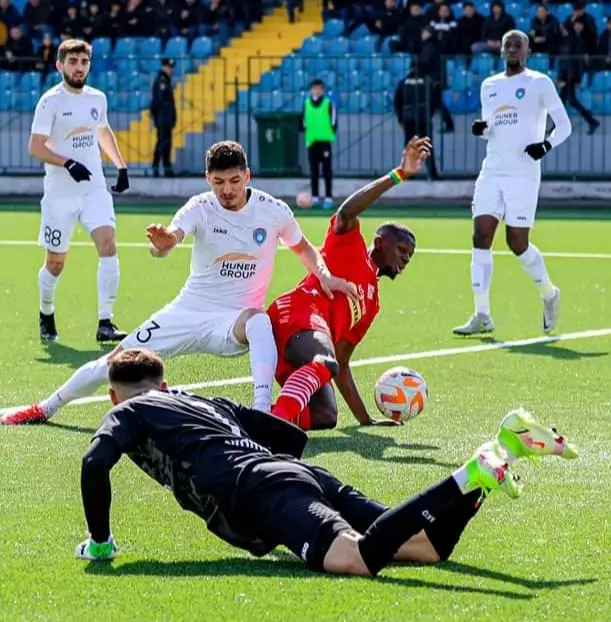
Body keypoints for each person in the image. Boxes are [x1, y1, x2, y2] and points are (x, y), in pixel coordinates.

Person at [75, 348, 579, 575]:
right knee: (423, 547)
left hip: (264, 490)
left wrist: (101, 543)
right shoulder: (207, 403)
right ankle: (493, 457)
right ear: (165, 384)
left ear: (115, 399)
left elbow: (96, 462)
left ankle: (470, 475)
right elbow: (291, 437)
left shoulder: (133, 410)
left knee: (359, 559)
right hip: (295, 476)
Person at [1, 141, 357, 426]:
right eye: (219, 183)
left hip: (232, 321)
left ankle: (262, 414)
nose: (227, 190)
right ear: (208, 179)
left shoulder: (273, 210)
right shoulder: (200, 207)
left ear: (247, 175)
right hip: (187, 311)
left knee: (260, 319)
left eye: (234, 181)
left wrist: (325, 276)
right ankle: (44, 408)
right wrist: (164, 243)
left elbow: (303, 247)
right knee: (115, 361)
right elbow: (172, 236)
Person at [267, 138, 428, 431]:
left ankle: (258, 414)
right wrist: (398, 174)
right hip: (295, 316)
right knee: (324, 359)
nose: (406, 259)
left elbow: (341, 362)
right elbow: (346, 213)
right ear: (379, 243)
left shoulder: (372, 303)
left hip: (314, 348)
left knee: (325, 416)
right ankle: (273, 425)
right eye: (402, 250)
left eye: (410, 255)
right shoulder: (349, 247)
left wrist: (365, 420)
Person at [453, 30, 571, 337]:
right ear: (501, 51)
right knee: (481, 235)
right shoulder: (489, 86)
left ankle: (549, 293)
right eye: (508, 45)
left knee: (516, 242)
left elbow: (565, 125)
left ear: (528, 50)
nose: (513, 49)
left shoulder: (539, 83)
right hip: (492, 170)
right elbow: (492, 128)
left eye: (519, 45)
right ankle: (482, 314)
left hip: (523, 173)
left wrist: (545, 145)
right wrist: (482, 130)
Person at [28, 38, 130, 345]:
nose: (79, 67)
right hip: (60, 195)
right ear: (60, 65)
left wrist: (121, 166)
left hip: (94, 189)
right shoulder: (50, 101)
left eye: (84, 62)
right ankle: (46, 312)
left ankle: (106, 322)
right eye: (73, 62)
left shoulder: (97, 98)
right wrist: (67, 162)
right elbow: (35, 147)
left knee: (108, 245)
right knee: (55, 264)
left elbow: (102, 130)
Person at [393, 66, 440, 180]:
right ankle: (432, 174)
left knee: (410, 147)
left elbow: (397, 101)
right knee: (426, 146)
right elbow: (435, 100)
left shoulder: (403, 82)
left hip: (408, 119)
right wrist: (429, 113)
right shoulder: (427, 81)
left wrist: (401, 118)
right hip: (424, 118)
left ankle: (409, 173)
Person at [300, 79, 337, 209]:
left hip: (325, 141)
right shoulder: (306, 104)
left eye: (319, 88)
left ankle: (328, 198)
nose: (316, 90)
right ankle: (315, 198)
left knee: (327, 171)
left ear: (322, 90)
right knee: (314, 171)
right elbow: (303, 122)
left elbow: (334, 123)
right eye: (314, 88)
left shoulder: (328, 104)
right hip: (312, 142)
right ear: (311, 90)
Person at [150, 58, 177, 179]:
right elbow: (157, 102)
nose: (170, 70)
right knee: (162, 143)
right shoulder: (161, 81)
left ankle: (166, 167)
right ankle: (158, 166)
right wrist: (157, 117)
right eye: (168, 67)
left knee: (166, 143)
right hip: (163, 118)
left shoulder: (165, 80)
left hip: (166, 118)